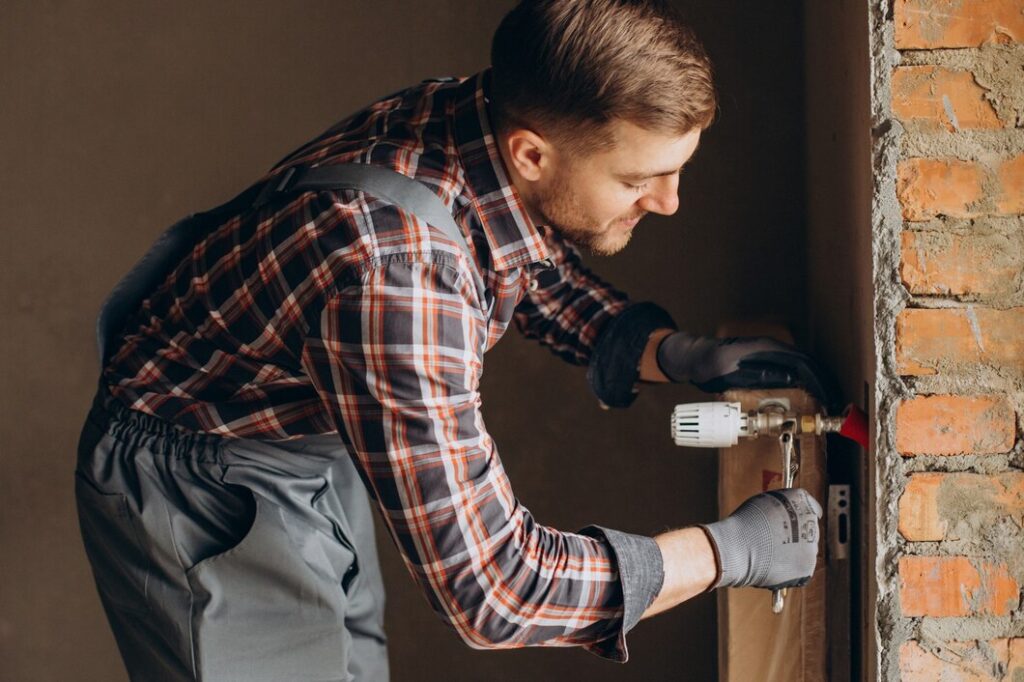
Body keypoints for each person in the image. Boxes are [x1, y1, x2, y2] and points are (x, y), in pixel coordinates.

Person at [75, 1, 833, 679]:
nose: (668, 203)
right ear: (532, 151)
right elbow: (495, 589)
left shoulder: (475, 117)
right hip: (196, 485)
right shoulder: (395, 277)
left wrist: (661, 350)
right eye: (641, 179)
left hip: (309, 438)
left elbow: (507, 249)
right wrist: (729, 553)